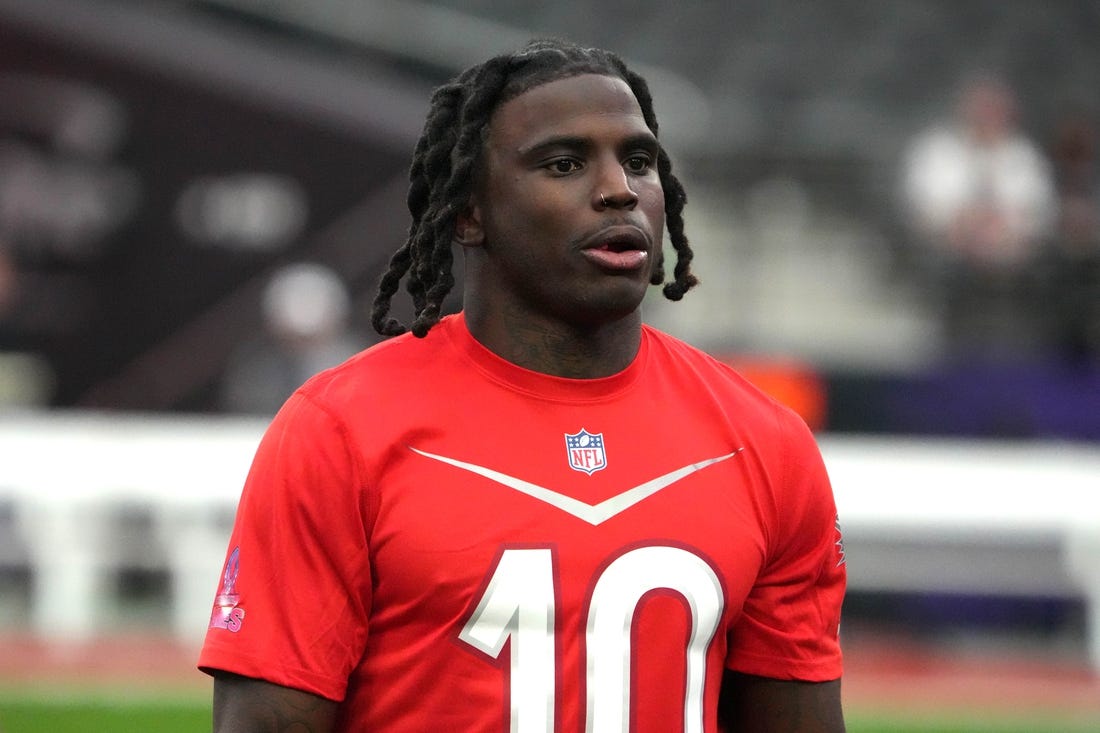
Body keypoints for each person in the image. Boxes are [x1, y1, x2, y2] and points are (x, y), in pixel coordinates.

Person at [198, 39, 846, 732]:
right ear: (468, 212)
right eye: (564, 163)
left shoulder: (764, 443)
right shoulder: (340, 430)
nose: (619, 189)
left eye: (639, 160)